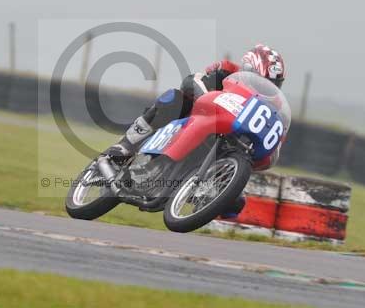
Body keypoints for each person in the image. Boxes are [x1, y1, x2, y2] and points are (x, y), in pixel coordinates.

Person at [105, 43, 287, 216]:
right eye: (261, 80)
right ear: (248, 70)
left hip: (229, 141)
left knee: (236, 202)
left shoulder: (275, 104)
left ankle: (207, 190)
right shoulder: (227, 70)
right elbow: (192, 81)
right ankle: (126, 145)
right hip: (197, 117)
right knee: (173, 98)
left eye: (272, 83)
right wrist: (208, 96)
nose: (266, 87)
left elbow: (277, 141)